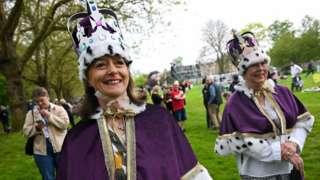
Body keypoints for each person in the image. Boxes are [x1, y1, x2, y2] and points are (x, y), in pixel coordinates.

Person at [57, 1, 212, 179]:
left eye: (119, 63)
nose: (113, 70)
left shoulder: (160, 120)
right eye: (100, 65)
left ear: (127, 71)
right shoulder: (77, 139)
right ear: (88, 79)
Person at [215, 31, 314, 179]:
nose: (261, 68)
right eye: (254, 65)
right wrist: (280, 152)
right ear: (243, 70)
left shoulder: (283, 92)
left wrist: (294, 143)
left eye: (263, 63)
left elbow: (304, 121)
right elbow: (242, 142)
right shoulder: (236, 103)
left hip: (290, 167)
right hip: (258, 174)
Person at [23, 87, 69, 180]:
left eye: (42, 100)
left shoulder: (59, 109)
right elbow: (26, 132)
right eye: (37, 101)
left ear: (48, 97)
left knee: (65, 175)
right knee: (48, 177)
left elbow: (65, 124)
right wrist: (36, 128)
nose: (39, 103)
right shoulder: (31, 113)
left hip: (61, 148)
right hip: (41, 151)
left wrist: (49, 116)